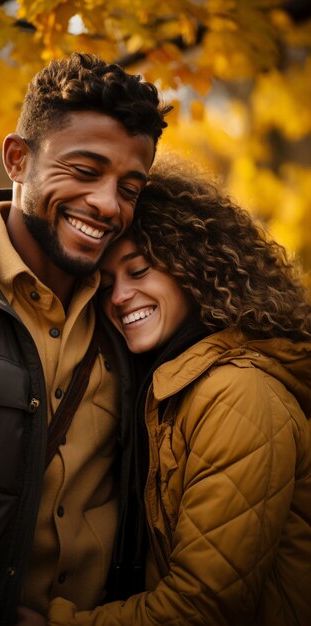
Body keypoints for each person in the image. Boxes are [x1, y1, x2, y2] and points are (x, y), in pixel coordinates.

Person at [0, 53, 170, 626]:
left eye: (129, 187)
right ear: (18, 159)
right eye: (85, 171)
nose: (108, 204)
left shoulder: (138, 321)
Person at [45, 161, 311, 626]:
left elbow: (204, 607)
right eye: (107, 284)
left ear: (196, 268)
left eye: (139, 270)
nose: (119, 297)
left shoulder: (237, 393)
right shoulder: (172, 386)